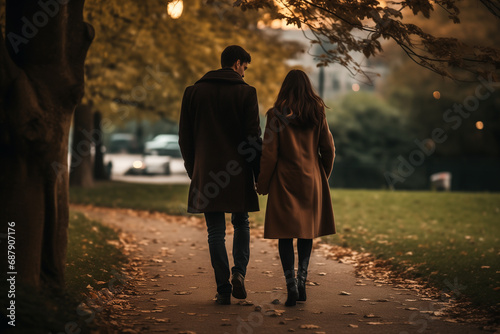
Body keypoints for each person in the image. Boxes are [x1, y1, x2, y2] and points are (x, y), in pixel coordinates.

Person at [178, 45, 262, 305]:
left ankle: (223, 287)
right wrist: (257, 173)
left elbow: (185, 138)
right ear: (237, 63)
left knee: (215, 232)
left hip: (208, 173)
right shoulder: (246, 93)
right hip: (237, 173)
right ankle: (239, 272)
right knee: (241, 223)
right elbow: (252, 139)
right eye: (245, 68)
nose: (245, 74)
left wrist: (194, 169)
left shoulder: (193, 93)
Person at [256, 69, 336, 307]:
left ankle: (290, 284)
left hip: (284, 180)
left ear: (285, 88)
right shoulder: (317, 113)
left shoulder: (276, 115)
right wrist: (323, 176)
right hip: (311, 179)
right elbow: (329, 149)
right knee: (306, 232)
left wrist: (263, 184)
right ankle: (302, 281)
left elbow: (269, 154)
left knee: (285, 232)